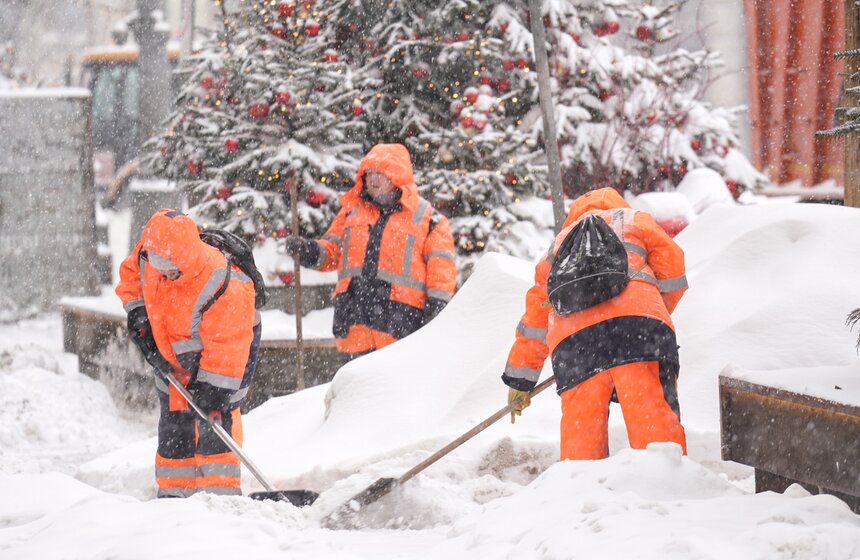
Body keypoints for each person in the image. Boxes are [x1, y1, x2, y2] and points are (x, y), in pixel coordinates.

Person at [503, 187, 688, 460]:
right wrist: (651, 314)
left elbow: (536, 318)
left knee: (582, 437)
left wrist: (521, 380)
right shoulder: (635, 219)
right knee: (655, 428)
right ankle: (668, 486)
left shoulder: (559, 244)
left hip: (576, 346)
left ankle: (582, 491)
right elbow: (673, 271)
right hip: (639, 334)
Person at [116, 209, 260, 497]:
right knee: (175, 426)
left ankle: (219, 498)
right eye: (156, 262)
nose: (163, 270)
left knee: (215, 424)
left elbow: (228, 342)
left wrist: (214, 388)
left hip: (225, 358)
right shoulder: (150, 258)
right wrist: (138, 313)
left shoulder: (220, 283)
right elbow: (132, 276)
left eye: (170, 264)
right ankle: (174, 497)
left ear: (184, 256)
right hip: (171, 361)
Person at [284, 143, 457, 358]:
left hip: (401, 331)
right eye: (369, 174)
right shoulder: (351, 212)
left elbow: (441, 276)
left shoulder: (429, 220)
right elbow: (332, 253)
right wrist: (307, 250)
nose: (373, 180)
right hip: (355, 328)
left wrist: (436, 314)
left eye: (381, 174)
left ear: (397, 176)